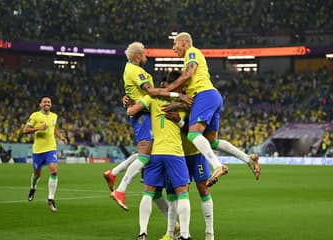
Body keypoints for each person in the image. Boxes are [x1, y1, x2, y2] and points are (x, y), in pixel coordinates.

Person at [164, 32, 260, 187]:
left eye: (174, 44)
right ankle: (248, 159)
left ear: (183, 42)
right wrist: (178, 103)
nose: (173, 49)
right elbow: (189, 100)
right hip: (212, 96)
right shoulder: (191, 58)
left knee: (193, 135)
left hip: (205, 95)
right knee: (211, 141)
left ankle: (217, 166)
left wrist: (168, 90)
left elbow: (188, 74)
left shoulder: (192, 52)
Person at [102, 41, 190, 210]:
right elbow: (150, 92)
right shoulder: (135, 70)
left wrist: (129, 100)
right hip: (142, 116)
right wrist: (176, 94)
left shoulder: (132, 70)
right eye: (144, 54)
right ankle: (121, 189)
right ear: (137, 56)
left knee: (146, 153)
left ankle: (113, 173)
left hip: (144, 114)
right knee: (144, 156)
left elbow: (138, 93)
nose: (146, 56)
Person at [126, 73, 192, 240]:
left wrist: (129, 101)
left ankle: (142, 233)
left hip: (155, 152)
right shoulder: (184, 103)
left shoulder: (151, 98)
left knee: (148, 193)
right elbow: (190, 127)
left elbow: (132, 111)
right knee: (182, 192)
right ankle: (184, 235)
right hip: (175, 153)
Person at [23, 95, 68, 212]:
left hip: (51, 148)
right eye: (44, 102)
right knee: (37, 174)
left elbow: (54, 128)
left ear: (51, 105)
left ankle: (51, 198)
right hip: (38, 150)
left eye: (49, 102)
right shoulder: (35, 115)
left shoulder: (54, 116)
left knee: (54, 169)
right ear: (40, 104)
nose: (47, 103)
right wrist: (38, 128)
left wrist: (61, 137)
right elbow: (25, 130)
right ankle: (33, 188)